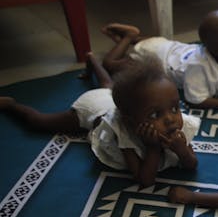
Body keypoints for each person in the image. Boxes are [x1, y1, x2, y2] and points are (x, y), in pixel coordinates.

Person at [0, 54, 199, 187]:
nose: (171, 120)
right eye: (155, 115)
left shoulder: (179, 129)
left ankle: (92, 59)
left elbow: (191, 164)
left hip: (108, 97)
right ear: (130, 122)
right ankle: (11, 105)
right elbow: (144, 180)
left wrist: (182, 150)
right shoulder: (124, 132)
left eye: (174, 108)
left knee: (108, 86)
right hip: (93, 109)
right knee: (40, 122)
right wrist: (153, 148)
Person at [99, 9, 218, 116]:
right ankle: (129, 37)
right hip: (155, 60)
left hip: (169, 47)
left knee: (151, 43)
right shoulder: (199, 68)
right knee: (110, 64)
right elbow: (194, 100)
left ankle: (132, 38)